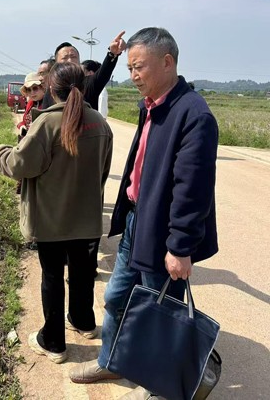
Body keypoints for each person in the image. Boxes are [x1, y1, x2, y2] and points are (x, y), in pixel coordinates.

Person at [70, 27, 219, 399]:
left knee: (160, 312)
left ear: (167, 62)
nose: (134, 76)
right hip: (137, 222)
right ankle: (112, 361)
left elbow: (192, 189)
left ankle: (160, 386)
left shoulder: (193, 114)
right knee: (117, 298)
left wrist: (180, 246)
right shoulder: (151, 105)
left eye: (139, 67)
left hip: (164, 233)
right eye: (130, 69)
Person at [0, 62, 113, 364]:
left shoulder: (47, 123)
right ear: (83, 87)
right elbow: (103, 171)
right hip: (86, 219)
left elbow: (20, 165)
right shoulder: (100, 124)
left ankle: (54, 342)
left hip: (50, 219)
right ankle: (84, 322)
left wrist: (1, 152)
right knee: (82, 274)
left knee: (52, 276)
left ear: (51, 89)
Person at [41, 31, 126, 110]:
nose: (70, 60)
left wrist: (112, 54)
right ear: (56, 63)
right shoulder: (51, 90)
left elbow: (103, 73)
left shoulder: (88, 84)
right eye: (65, 58)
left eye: (73, 57)